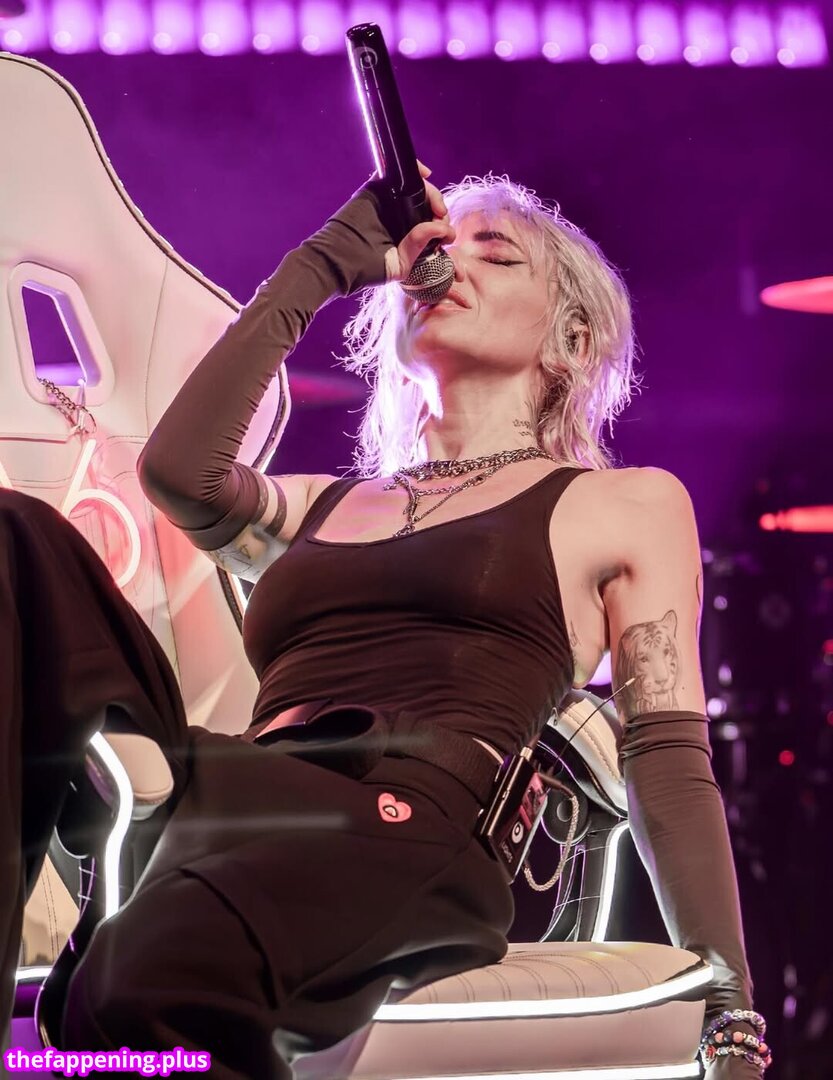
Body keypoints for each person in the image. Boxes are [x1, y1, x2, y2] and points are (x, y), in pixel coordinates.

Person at [1, 166, 768, 1078]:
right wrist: (328, 261)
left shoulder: (620, 503)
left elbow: (665, 757)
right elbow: (179, 472)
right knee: (16, 536)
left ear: (569, 338)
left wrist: (728, 1007)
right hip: (237, 787)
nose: (447, 265)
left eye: (495, 254)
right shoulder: (320, 505)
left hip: (405, 820)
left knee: (138, 983)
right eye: (436, 250)